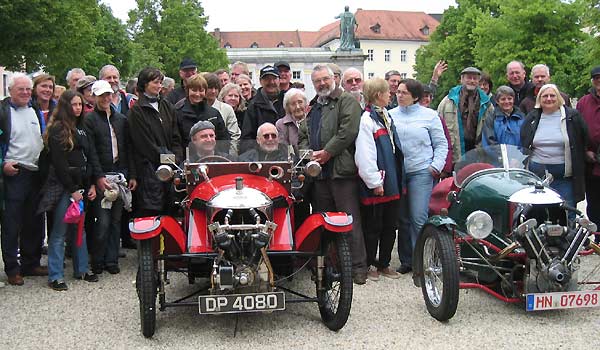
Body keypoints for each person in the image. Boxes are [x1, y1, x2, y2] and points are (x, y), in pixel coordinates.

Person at [298, 64, 367, 284]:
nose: (322, 84)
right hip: (318, 174)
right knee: (322, 222)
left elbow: (348, 131)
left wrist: (327, 153)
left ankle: (357, 268)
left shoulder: (346, 100)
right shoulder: (313, 106)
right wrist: (308, 154)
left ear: (333, 78)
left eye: (325, 79)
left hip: (341, 171)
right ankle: (328, 266)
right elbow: (303, 135)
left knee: (349, 221)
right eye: (317, 81)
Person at [39, 90, 98, 290]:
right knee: (59, 232)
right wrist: (72, 189)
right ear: (65, 106)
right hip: (65, 187)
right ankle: (55, 275)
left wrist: (90, 184)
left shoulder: (82, 129)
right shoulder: (57, 129)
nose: (78, 108)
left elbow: (89, 158)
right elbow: (59, 163)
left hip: (81, 186)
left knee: (80, 231)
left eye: (80, 104)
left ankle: (82, 269)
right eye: (74, 104)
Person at [390, 79, 448, 274]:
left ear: (415, 97)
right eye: (398, 92)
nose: (399, 95)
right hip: (399, 173)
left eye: (404, 92)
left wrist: (435, 166)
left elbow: (441, 144)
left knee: (418, 216)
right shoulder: (390, 116)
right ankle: (407, 260)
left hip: (421, 171)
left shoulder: (430, 116)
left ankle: (424, 260)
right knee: (403, 218)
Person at [84, 80, 137, 275]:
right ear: (95, 97)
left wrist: (131, 174)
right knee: (102, 221)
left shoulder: (121, 119)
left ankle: (111, 260)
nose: (106, 98)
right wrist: (97, 177)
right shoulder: (89, 120)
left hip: (120, 174)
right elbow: (91, 152)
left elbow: (128, 149)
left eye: (108, 94)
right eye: (101, 95)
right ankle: (97, 260)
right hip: (102, 175)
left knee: (116, 220)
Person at [0, 73, 47, 286]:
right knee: (12, 223)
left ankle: (31, 263)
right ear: (11, 90)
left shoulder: (34, 109)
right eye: (22, 89)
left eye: (29, 89)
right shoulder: (2, 111)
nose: (26, 93)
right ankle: (12, 268)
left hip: (35, 172)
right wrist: (2, 165)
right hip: (15, 173)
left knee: (35, 220)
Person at [355, 78, 404, 281]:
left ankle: (384, 263)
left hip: (391, 181)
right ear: (378, 95)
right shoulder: (367, 120)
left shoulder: (384, 116)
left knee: (390, 225)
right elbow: (365, 154)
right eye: (387, 92)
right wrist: (375, 182)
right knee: (373, 227)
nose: (390, 94)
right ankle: (368, 264)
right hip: (378, 182)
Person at [521, 84, 588, 209]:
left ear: (559, 98)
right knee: (540, 213)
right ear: (539, 99)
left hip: (564, 177)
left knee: (567, 213)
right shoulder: (532, 117)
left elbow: (583, 139)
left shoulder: (572, 117)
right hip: (538, 176)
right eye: (545, 96)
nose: (549, 99)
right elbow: (524, 140)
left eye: (552, 95)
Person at [128, 67, 183, 217]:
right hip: (149, 171)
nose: (159, 86)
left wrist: (176, 159)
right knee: (151, 214)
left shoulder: (167, 106)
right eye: (155, 82)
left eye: (160, 82)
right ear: (144, 84)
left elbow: (176, 137)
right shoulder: (137, 111)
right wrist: (168, 159)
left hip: (170, 170)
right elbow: (145, 144)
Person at [437, 66, 494, 164]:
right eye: (469, 77)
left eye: (475, 78)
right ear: (462, 79)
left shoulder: (487, 104)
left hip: (478, 155)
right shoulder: (448, 101)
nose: (472, 81)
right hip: (454, 155)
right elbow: (438, 129)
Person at [577, 66, 600, 243]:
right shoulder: (584, 102)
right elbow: (577, 131)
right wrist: (585, 151)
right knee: (594, 201)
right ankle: (597, 235)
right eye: (596, 78)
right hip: (592, 163)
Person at [175, 74, 230, 147]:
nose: (197, 94)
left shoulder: (214, 113)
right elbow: (175, 141)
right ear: (187, 91)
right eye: (194, 90)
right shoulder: (178, 112)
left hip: (211, 156)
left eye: (201, 90)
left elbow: (223, 140)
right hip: (186, 156)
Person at [241, 65, 284, 140]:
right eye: (267, 79)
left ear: (279, 80)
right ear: (260, 81)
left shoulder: (287, 102)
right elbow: (247, 137)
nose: (271, 82)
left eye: (274, 78)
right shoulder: (253, 106)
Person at [203, 73, 241, 143]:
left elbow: (234, 135)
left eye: (216, 88)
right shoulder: (198, 108)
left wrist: (231, 153)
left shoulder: (227, 109)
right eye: (210, 88)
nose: (213, 91)